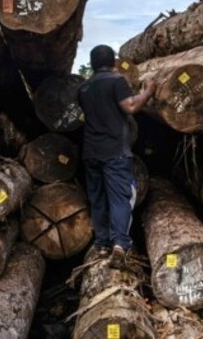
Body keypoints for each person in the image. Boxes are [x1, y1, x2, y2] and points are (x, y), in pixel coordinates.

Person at [77, 45, 156, 268]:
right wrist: (148, 91)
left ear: (92, 64)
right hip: (115, 151)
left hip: (91, 151)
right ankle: (120, 244)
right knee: (121, 197)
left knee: (98, 198)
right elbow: (130, 106)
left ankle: (102, 244)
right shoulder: (117, 81)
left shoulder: (83, 88)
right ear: (113, 62)